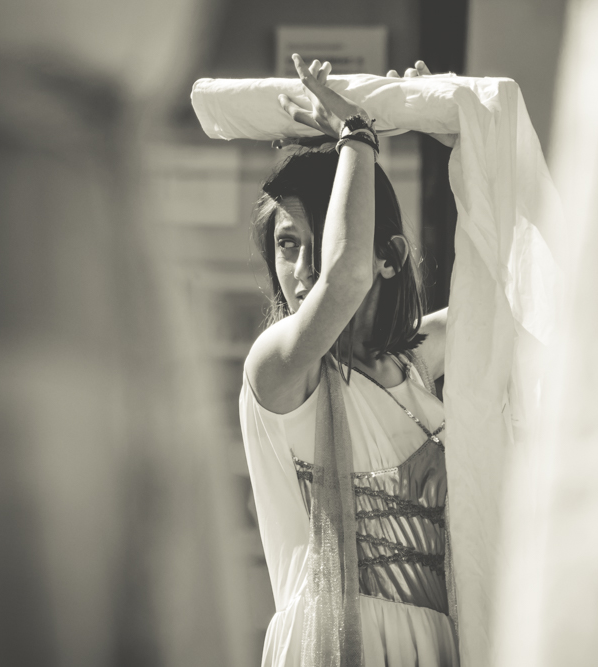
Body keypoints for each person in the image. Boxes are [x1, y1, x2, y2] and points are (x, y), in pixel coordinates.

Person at [240, 54, 457, 667]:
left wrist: (457, 140)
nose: (303, 270)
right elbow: (344, 279)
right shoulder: (278, 366)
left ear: (391, 256)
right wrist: (357, 133)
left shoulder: (417, 364)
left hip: (434, 647)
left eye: (322, 243)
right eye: (287, 245)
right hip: (332, 646)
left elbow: (523, 296)